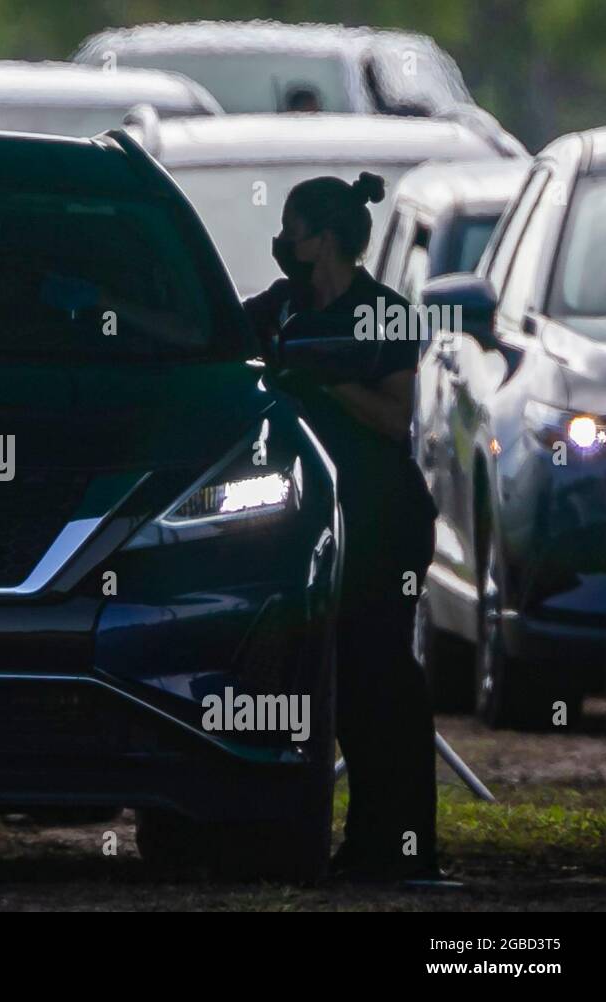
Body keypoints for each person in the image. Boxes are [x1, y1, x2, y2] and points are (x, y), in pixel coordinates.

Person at [244, 172, 448, 884]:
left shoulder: (385, 315)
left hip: (382, 521)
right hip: (311, 526)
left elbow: (395, 418)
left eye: (293, 232)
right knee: (326, 680)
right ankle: (353, 843)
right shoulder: (281, 309)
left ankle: (402, 844)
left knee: (381, 678)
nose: (284, 245)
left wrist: (325, 384)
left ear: (324, 239)